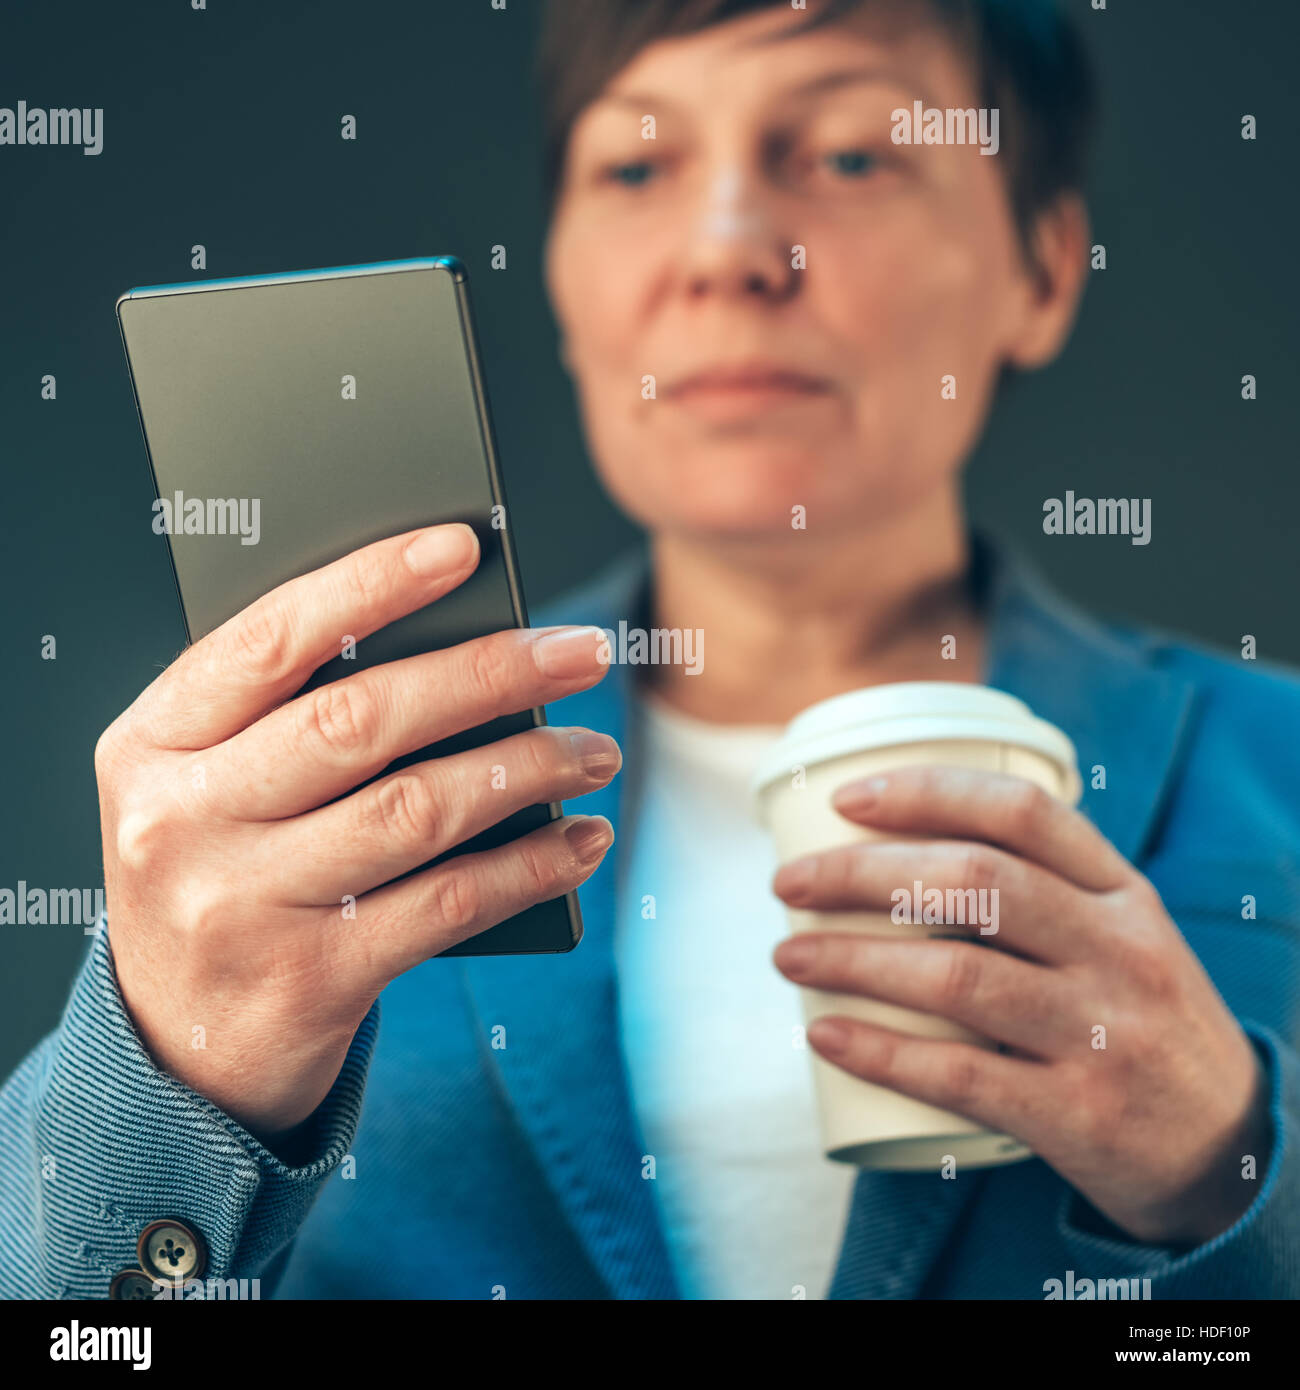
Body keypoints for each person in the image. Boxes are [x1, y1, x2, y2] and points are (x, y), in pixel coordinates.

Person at [2, 0, 1297, 1300]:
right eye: (635, 166)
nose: (726, 249)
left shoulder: (1275, 762)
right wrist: (168, 1072)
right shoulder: (297, 808)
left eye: (851, 155)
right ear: (566, 280)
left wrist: (1231, 1166)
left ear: (1045, 267)